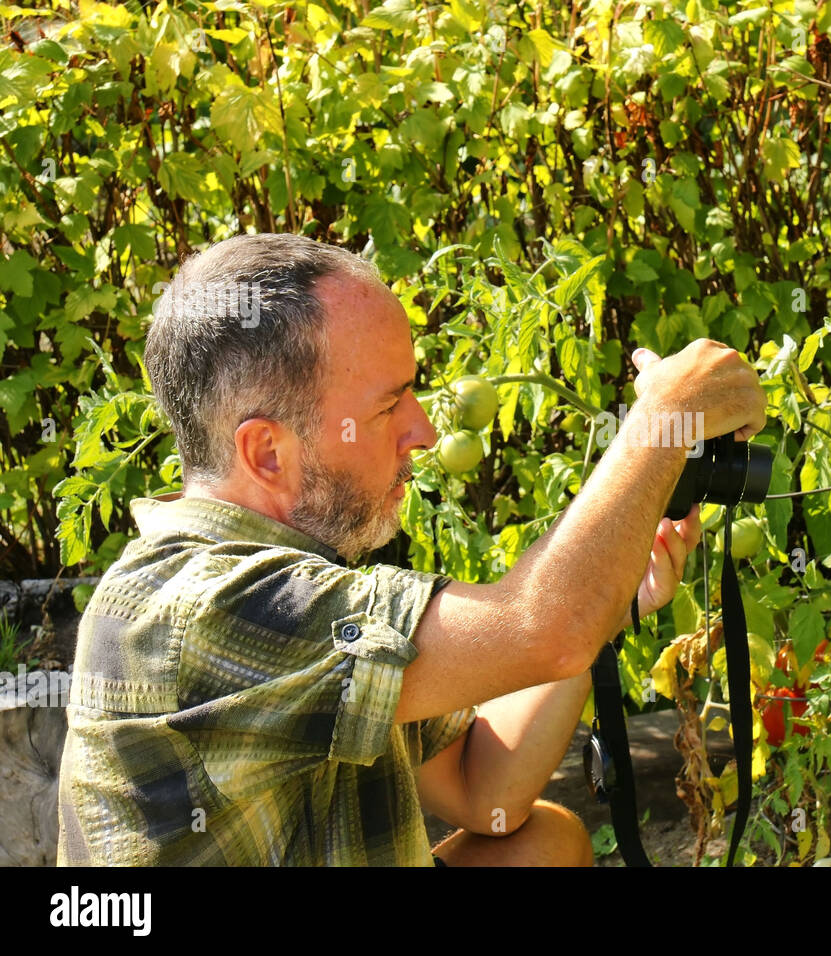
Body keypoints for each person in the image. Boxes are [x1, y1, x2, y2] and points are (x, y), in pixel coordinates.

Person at [55, 233, 767, 866]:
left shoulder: (308, 580)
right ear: (268, 452)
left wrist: (607, 602)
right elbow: (541, 626)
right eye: (388, 405)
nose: (423, 431)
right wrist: (663, 421)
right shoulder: (200, 611)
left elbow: (484, 790)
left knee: (540, 844)